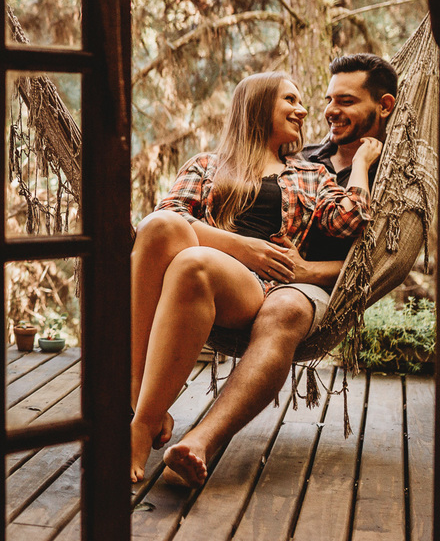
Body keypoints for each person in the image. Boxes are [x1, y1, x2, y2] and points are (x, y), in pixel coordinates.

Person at [154, 54, 397, 487]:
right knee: (184, 259)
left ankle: (201, 440)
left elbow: (380, 265)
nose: (327, 112)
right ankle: (145, 413)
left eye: (345, 101)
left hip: (316, 287)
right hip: (256, 277)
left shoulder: (396, 178)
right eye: (327, 99)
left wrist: (307, 271)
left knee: (283, 308)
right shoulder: (308, 159)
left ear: (384, 106)